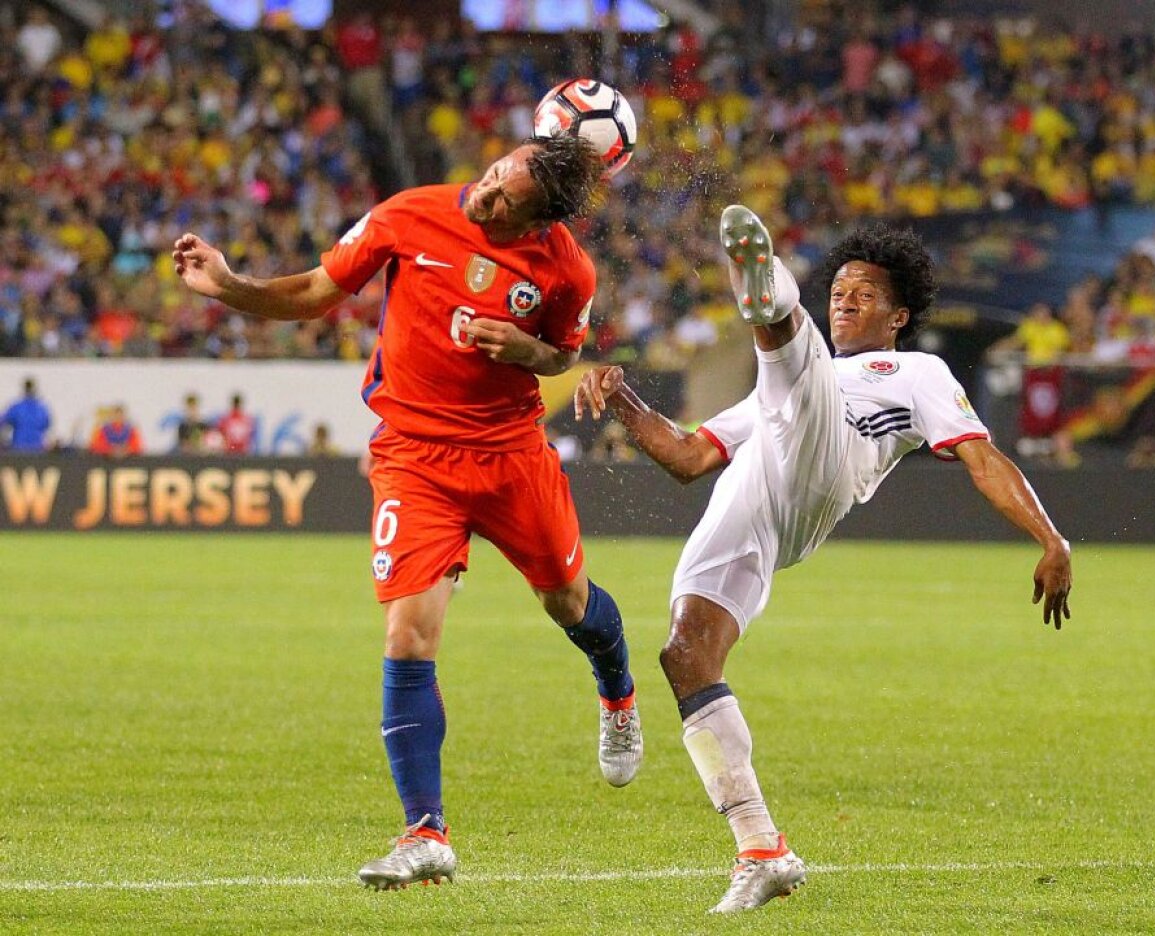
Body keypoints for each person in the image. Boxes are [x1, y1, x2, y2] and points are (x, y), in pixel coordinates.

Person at [173, 133, 642, 890]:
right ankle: (426, 832)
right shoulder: (409, 215)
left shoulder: (567, 270)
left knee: (569, 603)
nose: (484, 196)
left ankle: (616, 686)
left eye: (504, 200)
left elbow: (562, 355)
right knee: (408, 634)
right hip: (414, 458)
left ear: (540, 223)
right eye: (492, 177)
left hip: (510, 454)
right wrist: (228, 284)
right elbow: (311, 293)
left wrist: (524, 349)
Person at [575, 205, 1073, 914]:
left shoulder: (916, 371)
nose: (845, 298)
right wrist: (620, 394)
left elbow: (981, 457)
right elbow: (687, 458)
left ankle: (765, 295)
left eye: (864, 293)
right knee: (685, 654)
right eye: (837, 289)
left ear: (898, 317)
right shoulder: (776, 396)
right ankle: (760, 849)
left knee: (795, 372)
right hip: (764, 494)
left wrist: (1050, 537)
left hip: (824, 466)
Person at [1, 378, 52, 452]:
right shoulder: (42, 409)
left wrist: (4, 440)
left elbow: (3, 421)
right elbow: (47, 424)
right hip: (37, 449)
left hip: (19, 448)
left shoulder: (17, 407)